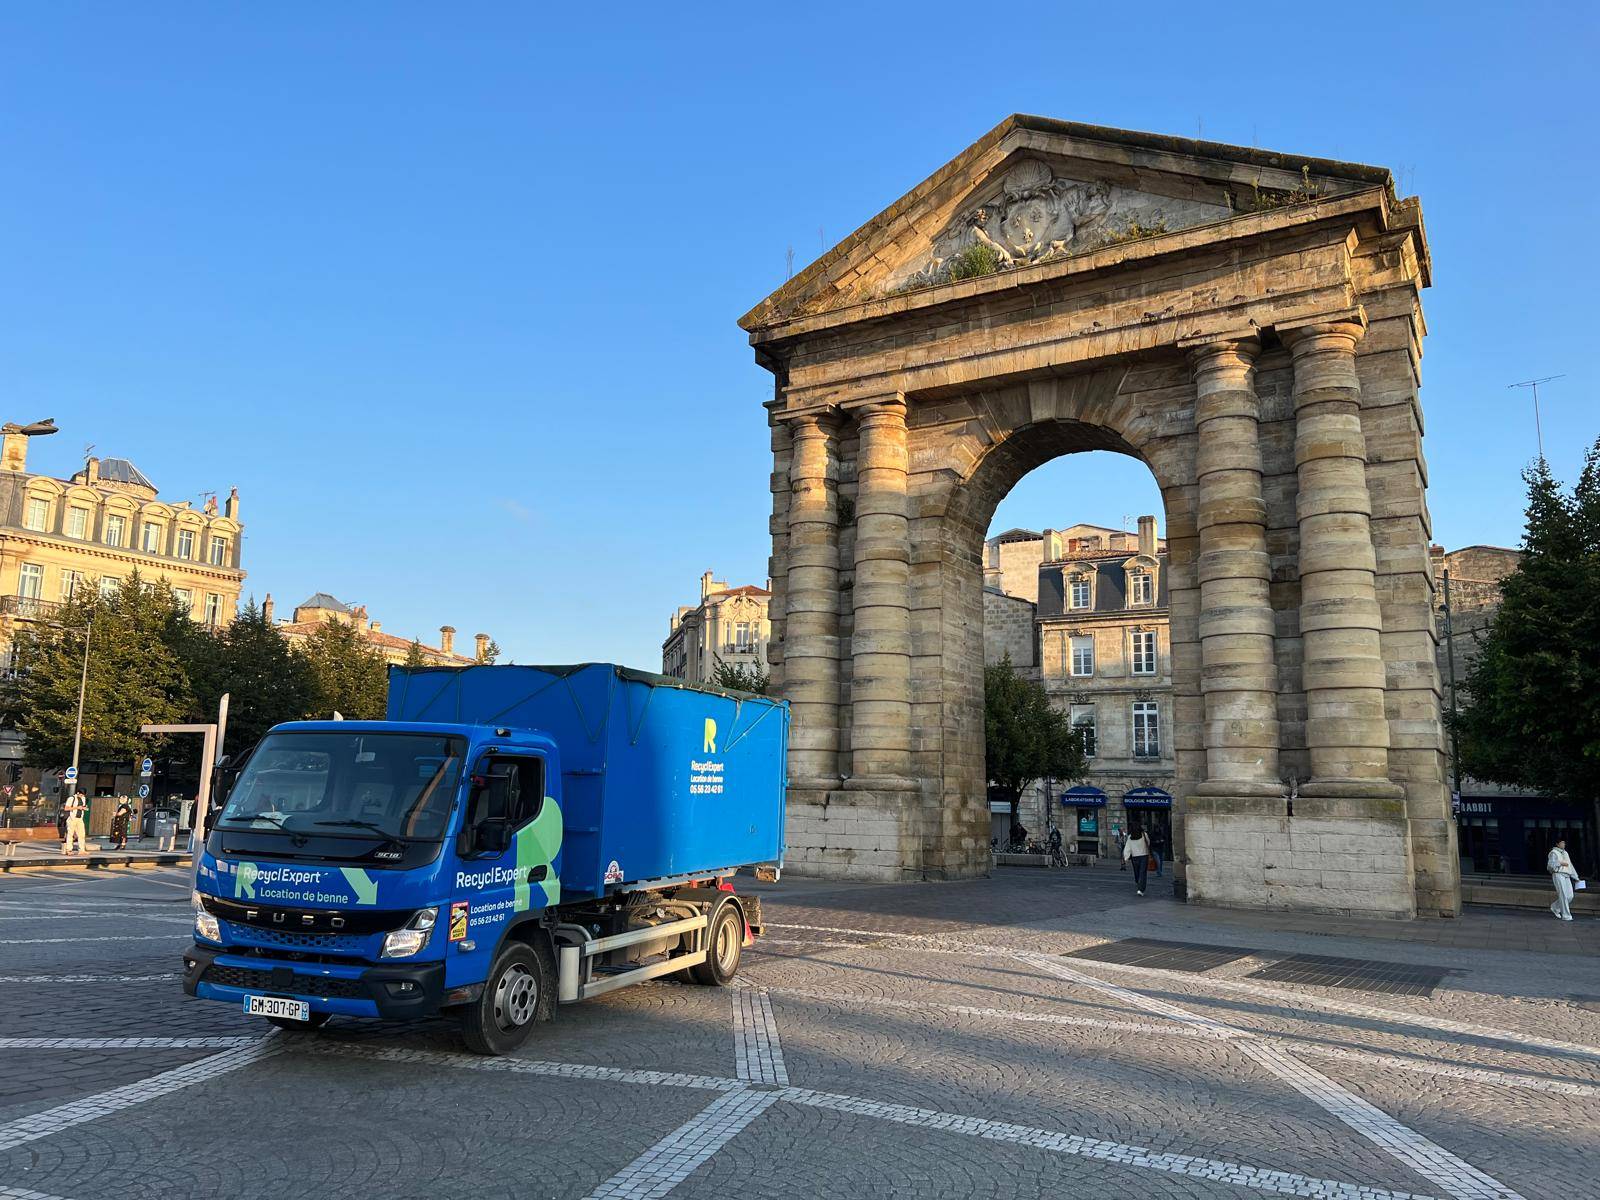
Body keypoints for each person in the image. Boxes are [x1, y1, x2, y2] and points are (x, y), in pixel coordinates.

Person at [1548, 837, 1581, 921]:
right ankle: (1566, 915)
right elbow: (1550, 866)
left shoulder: (1565, 853)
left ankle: (1555, 907)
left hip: (1567, 875)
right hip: (1558, 874)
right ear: (1557, 844)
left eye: (1564, 843)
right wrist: (1560, 863)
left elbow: (1570, 865)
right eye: (1562, 843)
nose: (1564, 844)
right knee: (1563, 895)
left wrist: (1576, 877)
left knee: (1570, 896)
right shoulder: (1553, 853)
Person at [1123, 821, 1151, 896]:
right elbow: (1148, 843)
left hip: (1135, 857)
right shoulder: (1144, 835)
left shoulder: (1130, 837)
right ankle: (1141, 888)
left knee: (1137, 872)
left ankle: (1138, 882)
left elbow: (1127, 848)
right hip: (1144, 855)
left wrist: (1126, 858)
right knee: (1143, 872)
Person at [60, 791, 87, 855]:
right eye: (81, 794)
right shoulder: (71, 798)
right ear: (77, 793)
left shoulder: (83, 798)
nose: (82, 796)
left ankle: (82, 850)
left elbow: (82, 807)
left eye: (83, 795)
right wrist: (77, 807)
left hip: (80, 818)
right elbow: (66, 808)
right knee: (70, 834)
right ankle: (69, 850)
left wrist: (84, 808)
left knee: (82, 834)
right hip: (72, 818)